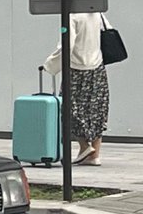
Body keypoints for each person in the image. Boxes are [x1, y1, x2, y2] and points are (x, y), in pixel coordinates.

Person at [44, 12, 108, 166]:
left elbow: (67, 44)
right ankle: (95, 155)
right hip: (97, 67)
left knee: (68, 108)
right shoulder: (97, 12)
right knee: (97, 109)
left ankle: (85, 147)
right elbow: (107, 31)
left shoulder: (72, 16)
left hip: (76, 68)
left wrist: (50, 65)